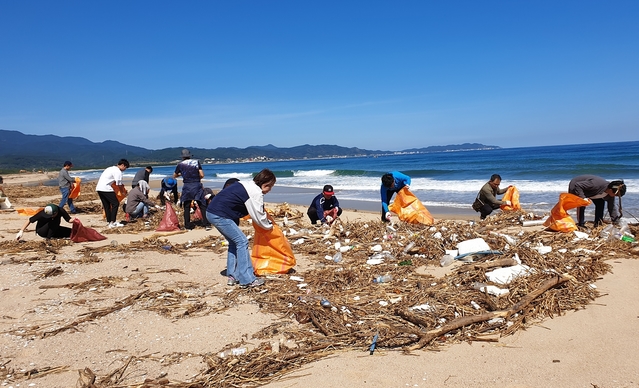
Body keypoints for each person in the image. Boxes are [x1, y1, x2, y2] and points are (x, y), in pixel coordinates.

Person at [206, 168, 276, 288]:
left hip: (212, 212)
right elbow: (258, 215)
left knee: (234, 242)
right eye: (270, 186)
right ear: (265, 184)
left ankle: (233, 276)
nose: (270, 190)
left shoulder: (246, 185)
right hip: (220, 215)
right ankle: (247, 279)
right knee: (242, 241)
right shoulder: (255, 192)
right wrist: (269, 226)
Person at [173, 149, 211, 231]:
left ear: (182, 157)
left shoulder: (180, 164)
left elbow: (174, 175)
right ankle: (206, 224)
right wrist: (196, 177)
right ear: (190, 156)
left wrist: (181, 174)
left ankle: (187, 226)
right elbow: (202, 175)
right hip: (197, 185)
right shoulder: (196, 162)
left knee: (186, 206)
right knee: (202, 205)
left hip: (187, 186)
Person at [96, 159, 129, 228]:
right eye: (125, 167)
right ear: (122, 165)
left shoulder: (110, 168)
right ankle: (113, 222)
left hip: (99, 188)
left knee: (107, 205)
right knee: (115, 203)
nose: (125, 169)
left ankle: (109, 222)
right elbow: (118, 184)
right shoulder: (118, 171)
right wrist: (122, 192)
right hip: (106, 188)